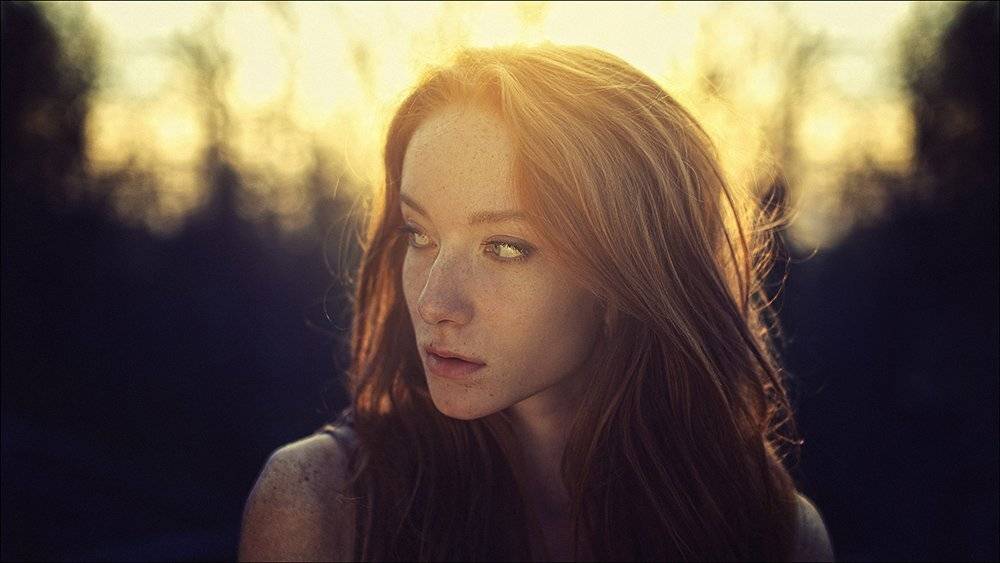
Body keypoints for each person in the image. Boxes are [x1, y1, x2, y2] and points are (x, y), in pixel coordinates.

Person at [238, 44, 834, 562]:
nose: (435, 302)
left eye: (505, 246)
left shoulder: (770, 532)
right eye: (420, 235)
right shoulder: (321, 508)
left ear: (627, 274)